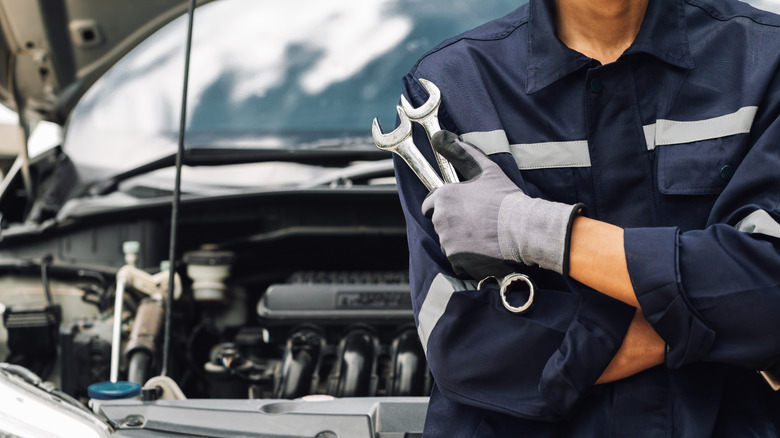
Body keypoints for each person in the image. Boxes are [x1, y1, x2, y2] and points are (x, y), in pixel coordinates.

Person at [393, 0, 780, 436]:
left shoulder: (767, 61)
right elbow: (464, 343)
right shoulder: (452, 89)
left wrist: (530, 227)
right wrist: (717, 320)